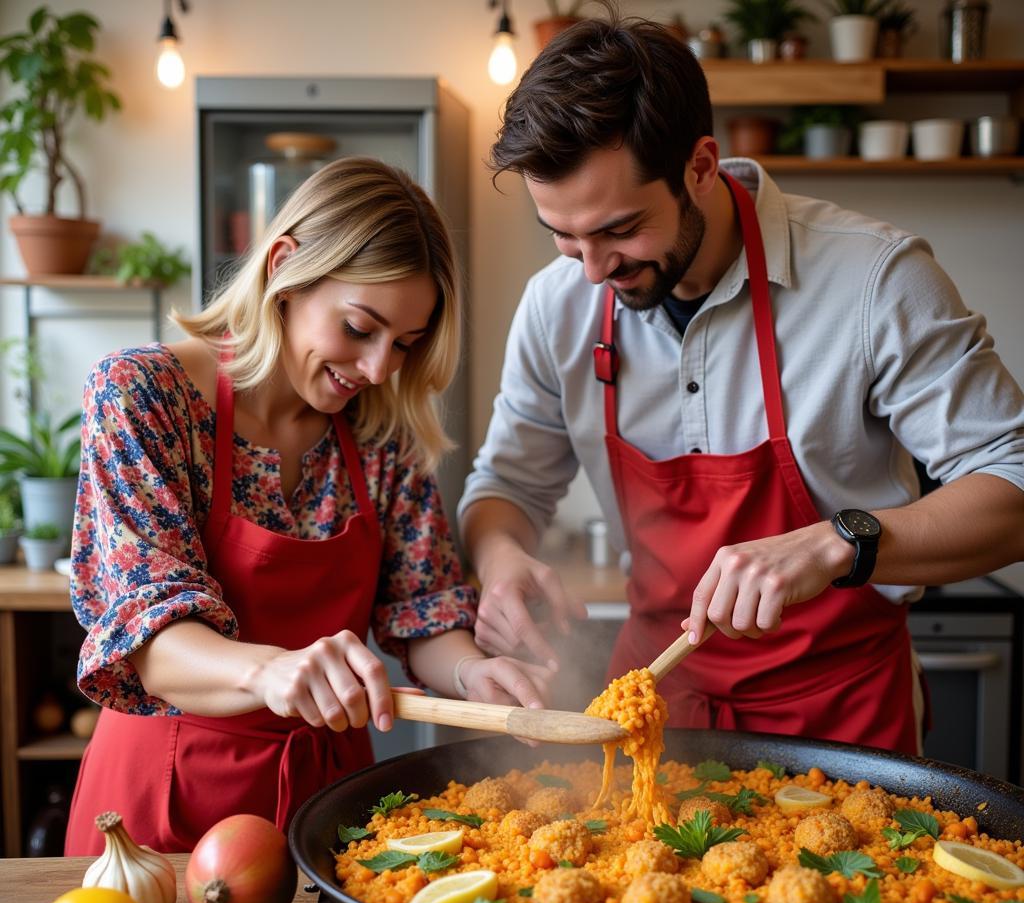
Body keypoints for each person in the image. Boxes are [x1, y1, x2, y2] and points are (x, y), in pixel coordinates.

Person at [459, 15, 1024, 756]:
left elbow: (1012, 487)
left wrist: (834, 544)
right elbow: (505, 484)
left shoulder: (874, 281)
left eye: (620, 230)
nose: (592, 269)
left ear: (701, 164)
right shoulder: (557, 302)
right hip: (653, 713)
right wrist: (501, 561)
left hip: (840, 715)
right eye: (564, 235)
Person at [65, 157, 552, 855]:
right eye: (360, 327)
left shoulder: (383, 431)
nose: (381, 368)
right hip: (162, 807)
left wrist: (474, 672)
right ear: (285, 269)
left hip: (328, 806)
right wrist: (270, 671)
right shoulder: (144, 396)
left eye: (405, 345)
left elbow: (421, 613)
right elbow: (153, 647)